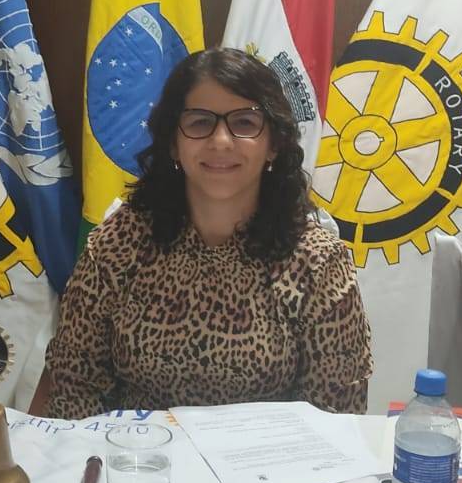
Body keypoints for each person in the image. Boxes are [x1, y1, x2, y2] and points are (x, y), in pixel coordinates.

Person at [44, 48, 370, 418]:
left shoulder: (319, 261)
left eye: (244, 122)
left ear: (274, 145)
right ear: (173, 142)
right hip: (136, 450)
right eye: (200, 122)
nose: (221, 141)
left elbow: (336, 415)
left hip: (269, 454)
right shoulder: (119, 242)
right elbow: (74, 386)